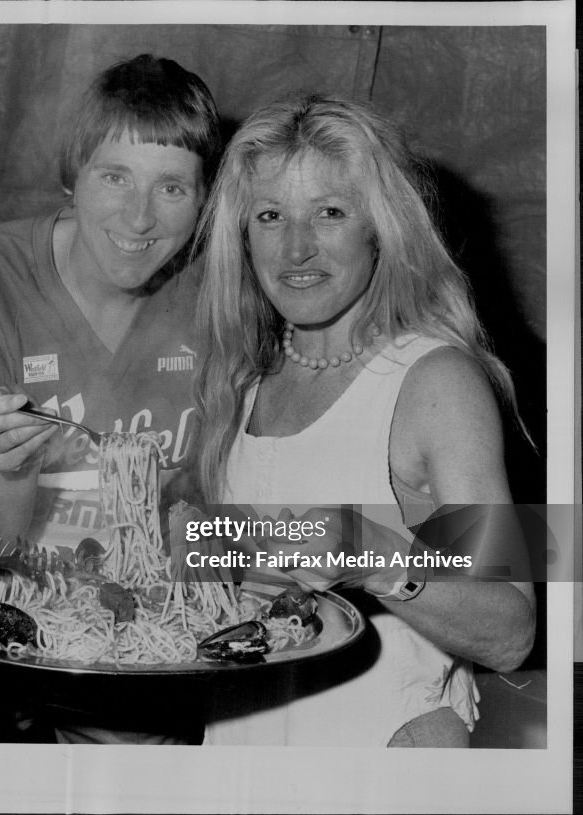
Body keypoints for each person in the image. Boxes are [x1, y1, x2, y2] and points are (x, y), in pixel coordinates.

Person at [192, 93, 536, 747]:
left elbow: (513, 630)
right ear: (243, 234)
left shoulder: (437, 381)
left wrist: (379, 559)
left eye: (329, 212)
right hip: (245, 755)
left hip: (383, 757)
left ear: (378, 225)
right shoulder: (244, 376)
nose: (296, 247)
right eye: (270, 215)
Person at [0, 54, 220, 743]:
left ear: (205, 200)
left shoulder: (217, 293)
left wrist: (195, 535)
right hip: (29, 627)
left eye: (172, 187)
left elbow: (226, 513)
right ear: (71, 178)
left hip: (171, 639)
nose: (139, 217)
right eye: (114, 176)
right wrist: (9, 468)